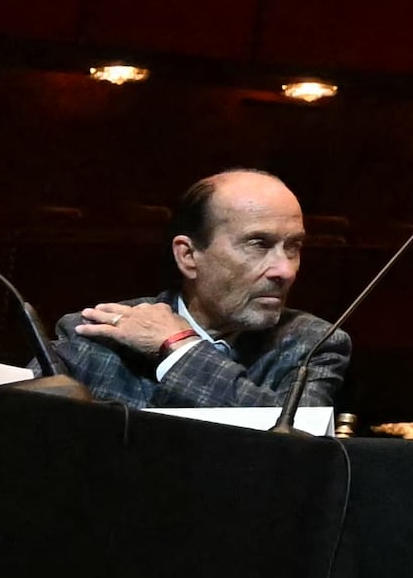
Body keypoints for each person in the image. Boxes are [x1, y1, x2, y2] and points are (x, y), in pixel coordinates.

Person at [48, 169, 348, 412]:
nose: (285, 270)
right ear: (188, 256)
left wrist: (179, 347)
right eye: (259, 244)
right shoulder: (93, 337)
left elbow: (293, 445)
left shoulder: (312, 345)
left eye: (293, 247)